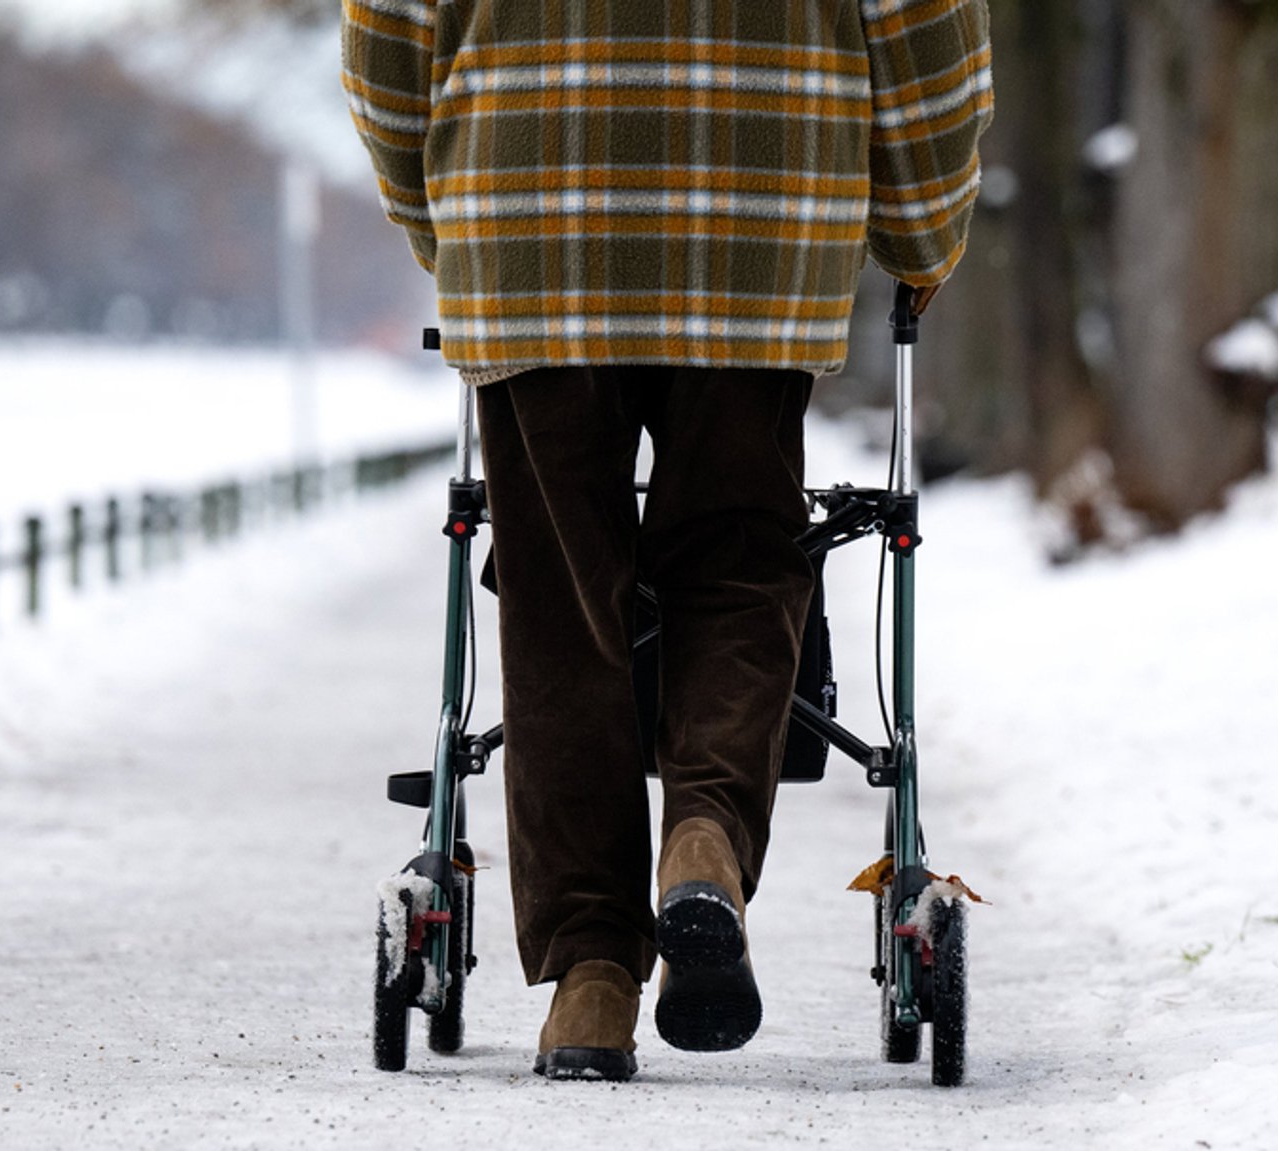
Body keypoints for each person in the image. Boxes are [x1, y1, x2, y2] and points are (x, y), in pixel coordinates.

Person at [344, 0, 991, 1082]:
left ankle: (591, 973)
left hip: (527, 194)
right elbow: (924, 25)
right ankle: (703, 845)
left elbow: (385, 44)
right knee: (739, 555)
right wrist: (923, 228)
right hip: (759, 198)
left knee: (561, 595)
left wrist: (442, 216)